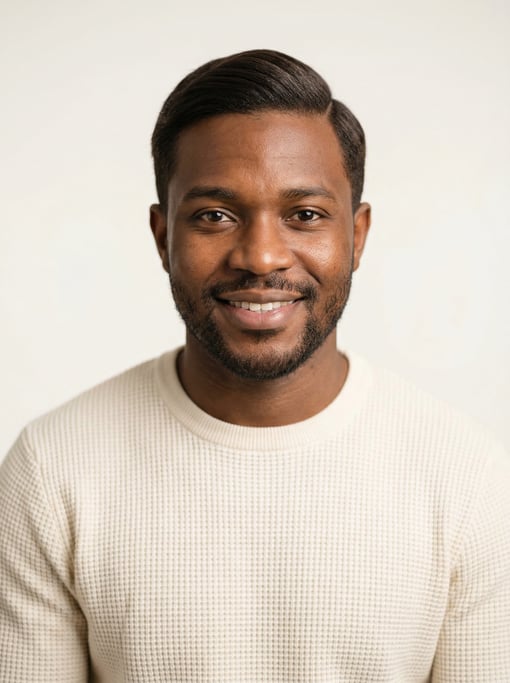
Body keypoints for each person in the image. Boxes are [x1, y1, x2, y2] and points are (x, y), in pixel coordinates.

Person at [0, 49, 508, 683]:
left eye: (305, 215)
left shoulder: (468, 480)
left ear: (359, 235)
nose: (262, 255)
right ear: (163, 238)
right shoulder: (53, 469)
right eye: (215, 215)